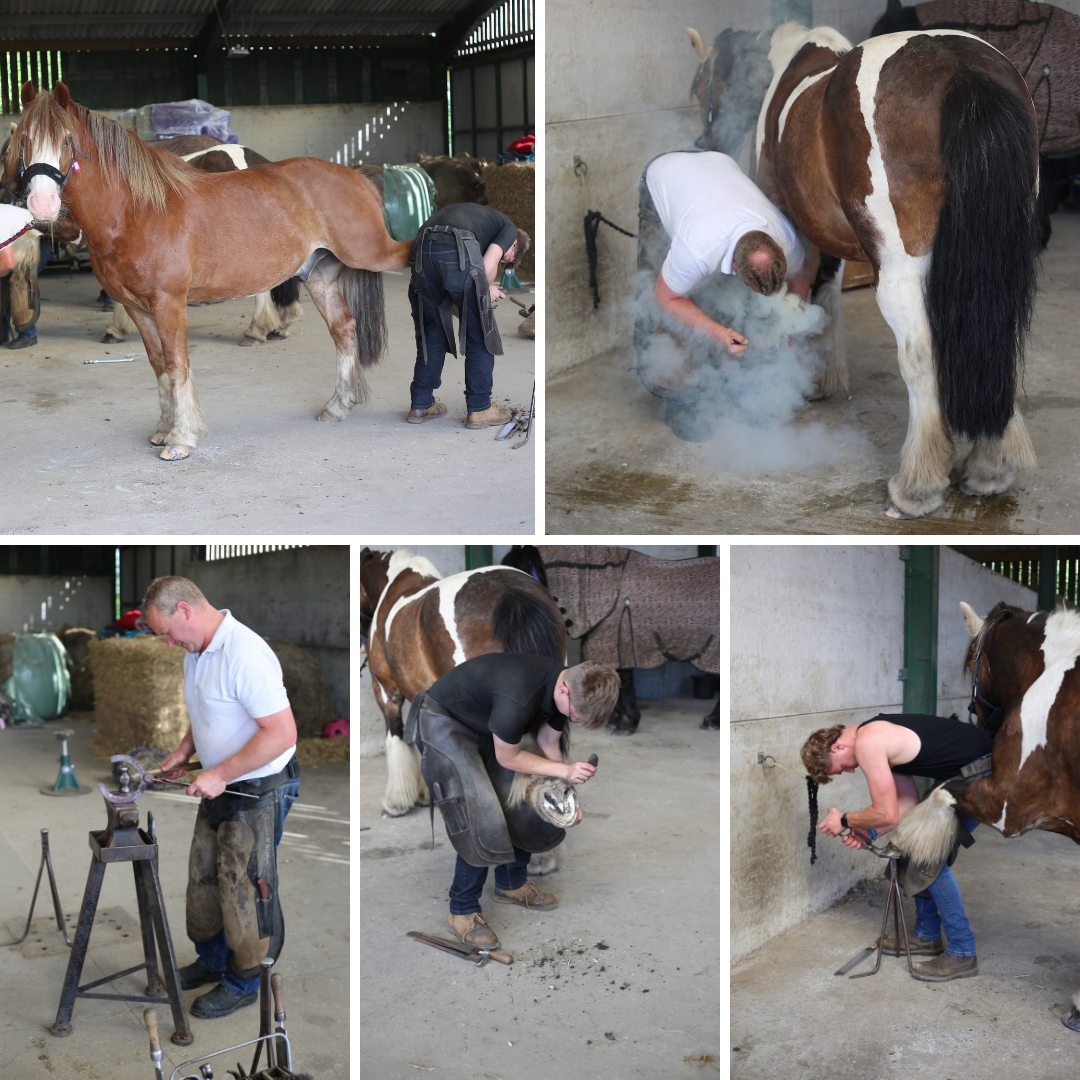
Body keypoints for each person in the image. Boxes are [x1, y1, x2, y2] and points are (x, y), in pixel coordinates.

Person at [143, 576, 300, 1019]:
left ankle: (244, 981)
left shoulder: (244, 653)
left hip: (257, 788)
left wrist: (221, 772)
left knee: (243, 892)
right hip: (222, 784)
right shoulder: (197, 650)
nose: (169, 643)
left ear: (185, 611)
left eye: (167, 633)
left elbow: (282, 733)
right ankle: (212, 962)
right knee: (203, 883)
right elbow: (208, 709)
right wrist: (183, 751)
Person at [405, 654, 620, 949]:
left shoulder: (565, 686)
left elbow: (547, 745)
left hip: (487, 724)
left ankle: (510, 884)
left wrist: (567, 797)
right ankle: (462, 911)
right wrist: (565, 770)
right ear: (564, 691)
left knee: (525, 798)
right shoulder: (517, 697)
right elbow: (509, 756)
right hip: (445, 720)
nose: (574, 720)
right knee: (479, 810)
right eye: (575, 716)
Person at [800, 714, 994, 982]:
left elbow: (887, 814)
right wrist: (866, 830)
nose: (851, 771)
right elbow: (905, 807)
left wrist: (844, 819)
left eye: (842, 768)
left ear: (837, 748)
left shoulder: (869, 742)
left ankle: (963, 951)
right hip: (965, 773)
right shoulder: (874, 735)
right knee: (909, 841)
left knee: (928, 857)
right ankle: (927, 936)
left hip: (981, 773)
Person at [635, 150, 811, 442]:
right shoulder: (696, 251)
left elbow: (801, 274)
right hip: (662, 178)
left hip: (715, 163)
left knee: (735, 300)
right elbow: (666, 297)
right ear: (733, 267)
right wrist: (719, 332)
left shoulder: (784, 238)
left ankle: (738, 387)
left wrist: (788, 321)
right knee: (671, 308)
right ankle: (681, 402)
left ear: (779, 251)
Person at [406, 201, 530, 429]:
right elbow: (486, 263)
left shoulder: (478, 218)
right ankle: (480, 408)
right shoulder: (509, 228)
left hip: (422, 249)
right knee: (481, 331)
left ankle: (421, 404)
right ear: (513, 245)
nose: (504, 260)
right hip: (455, 249)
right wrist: (485, 290)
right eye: (507, 259)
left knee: (431, 331)